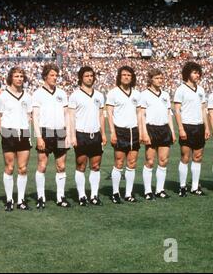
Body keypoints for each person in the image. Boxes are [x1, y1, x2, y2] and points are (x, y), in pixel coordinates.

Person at [33, 64, 71, 209]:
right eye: (52, 75)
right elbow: (35, 117)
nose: (55, 78)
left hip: (60, 132)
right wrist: (39, 137)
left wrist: (67, 134)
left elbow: (67, 114)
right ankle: (41, 197)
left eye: (56, 75)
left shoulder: (62, 93)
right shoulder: (38, 94)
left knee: (61, 166)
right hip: (45, 132)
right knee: (42, 166)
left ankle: (60, 197)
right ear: (45, 76)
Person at [0, 67, 32, 211]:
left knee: (22, 168)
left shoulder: (27, 96)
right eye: (16, 76)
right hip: (8, 133)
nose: (19, 78)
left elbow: (29, 116)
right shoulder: (3, 96)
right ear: (11, 78)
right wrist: (2, 131)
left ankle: (21, 200)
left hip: (23, 133)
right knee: (9, 167)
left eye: (21, 76)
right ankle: (9, 199)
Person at [69, 66, 106, 206]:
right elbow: (71, 117)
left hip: (95, 134)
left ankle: (94, 196)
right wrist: (72, 136)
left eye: (91, 75)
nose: (89, 78)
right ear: (81, 78)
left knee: (95, 166)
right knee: (81, 165)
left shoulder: (99, 95)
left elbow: (101, 115)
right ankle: (82, 196)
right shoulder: (75, 95)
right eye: (86, 76)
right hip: (81, 134)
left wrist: (103, 134)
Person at [106, 66, 142, 204]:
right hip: (120, 130)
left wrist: (141, 130)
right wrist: (113, 132)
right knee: (119, 162)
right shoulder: (113, 93)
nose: (126, 77)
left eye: (129, 75)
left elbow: (140, 113)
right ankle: (115, 193)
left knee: (132, 163)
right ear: (119, 77)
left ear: (132, 77)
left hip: (134, 131)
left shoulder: (137, 94)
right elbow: (109, 113)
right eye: (124, 75)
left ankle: (128, 193)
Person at [173, 61, 210, 197]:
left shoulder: (201, 90)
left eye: (198, 72)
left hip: (199, 126)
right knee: (185, 157)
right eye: (194, 72)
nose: (197, 75)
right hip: (187, 126)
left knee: (198, 157)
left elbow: (203, 109)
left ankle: (195, 187)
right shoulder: (180, 90)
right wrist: (181, 129)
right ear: (187, 74)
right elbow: (177, 111)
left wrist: (206, 128)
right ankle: (182, 186)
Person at [139, 69, 176, 200]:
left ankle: (160, 190)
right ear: (150, 79)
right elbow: (142, 115)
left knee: (163, 161)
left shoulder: (165, 94)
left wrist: (172, 131)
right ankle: (148, 191)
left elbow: (168, 114)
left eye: (161, 78)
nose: (160, 80)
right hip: (151, 129)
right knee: (149, 161)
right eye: (157, 78)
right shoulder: (143, 95)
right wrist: (144, 132)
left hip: (164, 129)